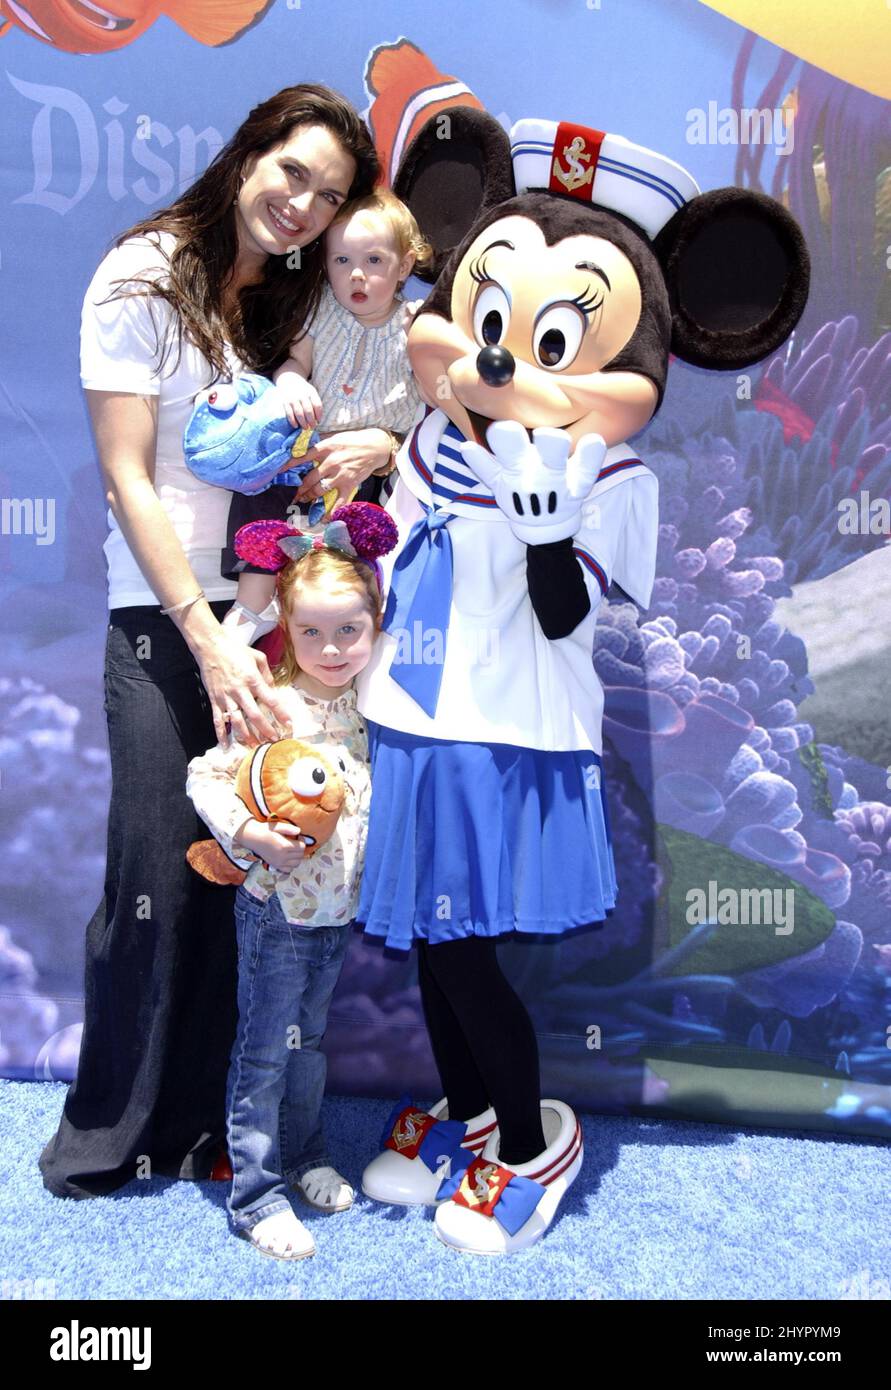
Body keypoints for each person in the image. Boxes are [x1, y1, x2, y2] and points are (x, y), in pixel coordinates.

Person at [39, 85, 385, 1200]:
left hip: (269, 622)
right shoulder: (140, 276)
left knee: (255, 872)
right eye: (294, 173)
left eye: (329, 196)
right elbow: (128, 474)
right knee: (155, 870)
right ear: (249, 154)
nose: (304, 206)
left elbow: (388, 381)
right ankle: (108, 1132)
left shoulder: (297, 304)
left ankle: (207, 1124)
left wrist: (375, 437)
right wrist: (201, 631)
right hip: (165, 617)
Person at [185, 504, 392, 1259]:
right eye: (310, 631)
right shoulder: (272, 704)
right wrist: (247, 833)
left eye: (348, 630)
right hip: (276, 910)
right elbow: (206, 775)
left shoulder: (377, 710)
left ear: (375, 623)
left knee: (309, 1044)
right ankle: (255, 1193)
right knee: (266, 1049)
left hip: (336, 915)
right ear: (285, 628)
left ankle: (306, 1157)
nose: (331, 648)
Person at [221, 189, 431, 645]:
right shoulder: (321, 310)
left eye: (374, 261)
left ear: (405, 265)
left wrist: (388, 446)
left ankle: (350, 618)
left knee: (361, 531)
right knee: (264, 489)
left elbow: (434, 407)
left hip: (369, 468)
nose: (356, 274)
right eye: (341, 261)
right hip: (309, 445)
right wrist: (291, 382)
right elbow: (296, 362)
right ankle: (252, 603)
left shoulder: (416, 324)